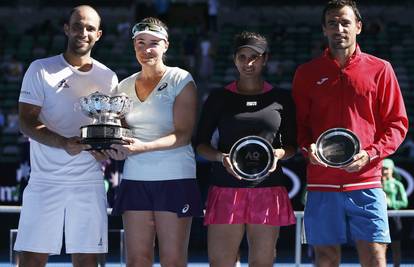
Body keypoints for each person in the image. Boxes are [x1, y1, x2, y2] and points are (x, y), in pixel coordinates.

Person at [292, 1, 409, 266]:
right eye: (332, 23)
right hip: (321, 182)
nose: (339, 28)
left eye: (345, 22)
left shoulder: (381, 69)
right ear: (324, 29)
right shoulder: (306, 73)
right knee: (325, 258)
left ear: (358, 27)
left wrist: (371, 155)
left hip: (366, 181)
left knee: (375, 256)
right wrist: (306, 148)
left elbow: (397, 123)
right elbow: (300, 126)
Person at [13, 5, 118, 267]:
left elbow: (111, 125)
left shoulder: (109, 77)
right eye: (78, 26)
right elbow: (26, 122)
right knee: (31, 259)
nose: (84, 32)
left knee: (87, 260)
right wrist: (63, 143)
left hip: (89, 181)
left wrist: (107, 146)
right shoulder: (40, 69)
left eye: (90, 28)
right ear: (67, 29)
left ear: (99, 34)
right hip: (44, 181)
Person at [106, 17, 203, 267]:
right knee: (137, 260)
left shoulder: (181, 79)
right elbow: (123, 131)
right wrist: (116, 146)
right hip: (135, 178)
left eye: (153, 43)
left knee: (172, 260)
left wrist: (141, 147)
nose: (146, 49)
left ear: (166, 45)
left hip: (174, 177)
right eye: (140, 43)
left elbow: (182, 135)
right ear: (133, 45)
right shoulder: (123, 86)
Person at [196, 31, 297, 267]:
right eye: (242, 57)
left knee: (262, 263)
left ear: (265, 59)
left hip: (268, 189)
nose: (248, 63)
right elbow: (200, 144)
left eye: (255, 57)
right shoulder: (218, 97)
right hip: (225, 187)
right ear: (234, 59)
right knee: (221, 263)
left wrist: (278, 154)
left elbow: (292, 145)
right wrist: (221, 157)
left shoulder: (282, 98)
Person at [381, 158, 408, 267]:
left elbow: (404, 202)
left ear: (392, 170)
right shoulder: (377, 183)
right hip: (381, 216)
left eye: (387, 169)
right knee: (380, 245)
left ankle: (397, 265)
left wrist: (392, 203)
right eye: (382, 169)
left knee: (396, 245)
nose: (384, 171)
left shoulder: (397, 185)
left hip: (394, 218)